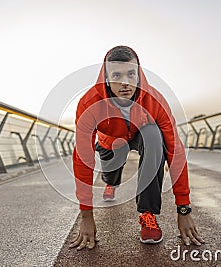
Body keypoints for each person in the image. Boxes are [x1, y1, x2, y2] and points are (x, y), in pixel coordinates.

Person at [70, 45, 205, 250]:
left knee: (153, 135)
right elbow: (82, 158)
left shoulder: (155, 101)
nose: (125, 82)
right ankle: (111, 183)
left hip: (139, 134)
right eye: (116, 75)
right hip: (110, 142)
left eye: (131, 74)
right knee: (111, 174)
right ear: (106, 77)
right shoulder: (90, 103)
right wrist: (86, 215)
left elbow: (175, 152)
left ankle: (147, 214)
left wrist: (184, 209)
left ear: (139, 74)